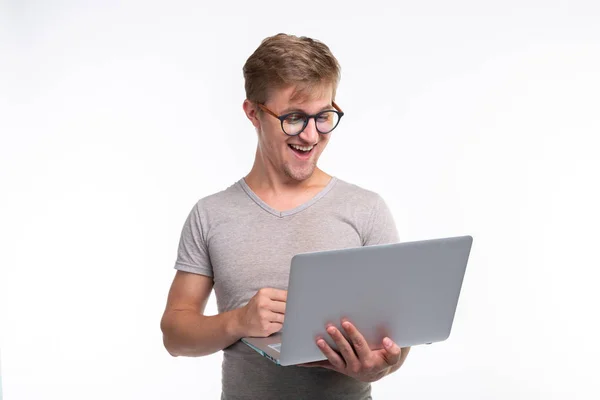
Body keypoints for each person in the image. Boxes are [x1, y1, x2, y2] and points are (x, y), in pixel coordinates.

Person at [160, 33, 410, 400]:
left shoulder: (366, 209)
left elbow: (399, 338)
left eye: (324, 116)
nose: (311, 135)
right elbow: (175, 335)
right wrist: (239, 320)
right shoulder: (210, 215)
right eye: (294, 117)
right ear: (253, 113)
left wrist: (383, 363)